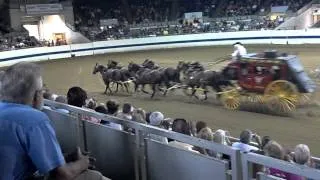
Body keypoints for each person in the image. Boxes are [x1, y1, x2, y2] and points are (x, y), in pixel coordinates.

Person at [0, 62, 108, 180]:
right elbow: (62, 175)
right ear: (36, 96)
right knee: (94, 176)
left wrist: (63, 158)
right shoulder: (35, 119)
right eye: (41, 90)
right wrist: (84, 162)